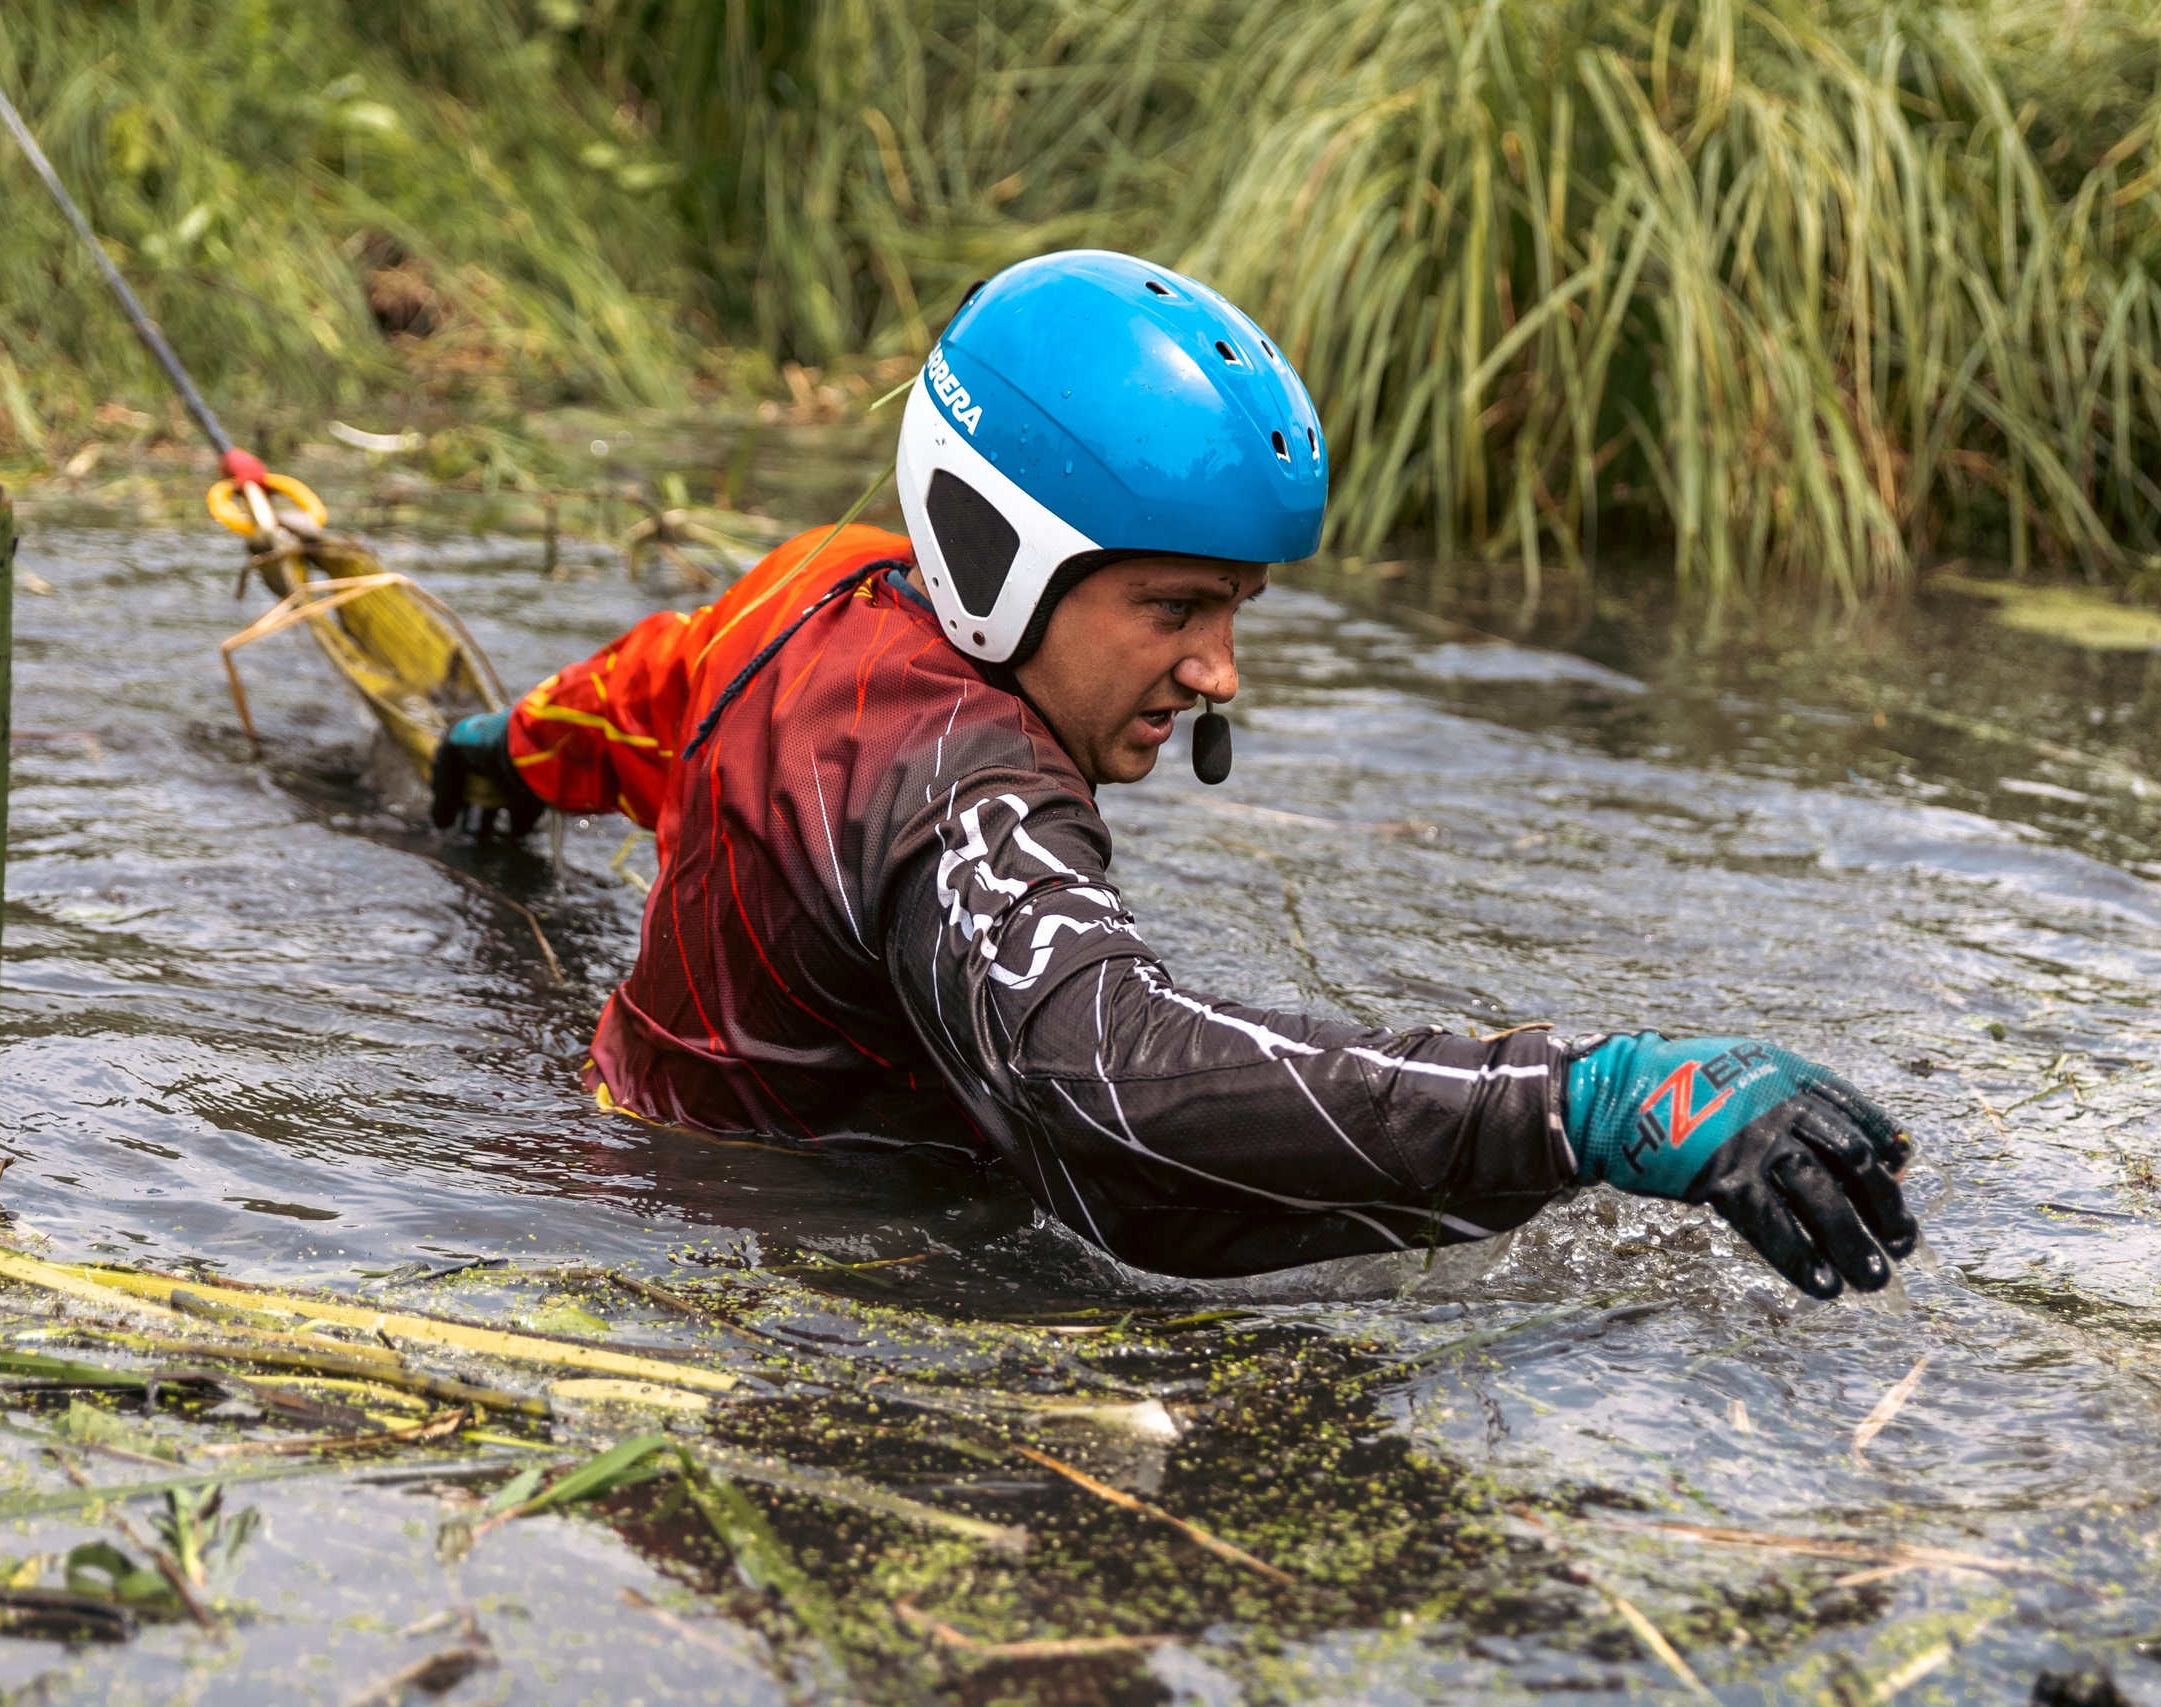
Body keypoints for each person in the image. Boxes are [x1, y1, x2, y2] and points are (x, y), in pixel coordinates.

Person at [429, 250, 1921, 1290]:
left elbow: (649, 691)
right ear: (1005, 556)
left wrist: (508, 754)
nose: (1219, 671)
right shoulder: (961, 792)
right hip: (782, 1250)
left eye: (1233, 611)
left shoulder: (821, 584)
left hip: (615, 1128)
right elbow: (1106, 1067)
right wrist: (1580, 1100)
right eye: (1175, 610)